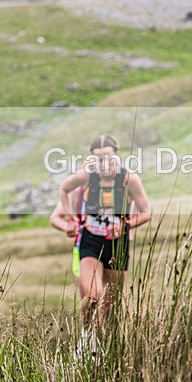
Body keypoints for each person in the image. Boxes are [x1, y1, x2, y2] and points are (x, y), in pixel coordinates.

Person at [57, 134, 152, 359]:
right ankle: (86, 338)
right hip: (91, 241)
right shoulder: (86, 177)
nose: (104, 164)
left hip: (118, 245)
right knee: (91, 297)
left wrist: (125, 226)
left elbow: (146, 212)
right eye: (98, 159)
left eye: (108, 158)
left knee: (110, 308)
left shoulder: (130, 180)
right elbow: (63, 189)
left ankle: (104, 353)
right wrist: (70, 219)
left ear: (117, 157)